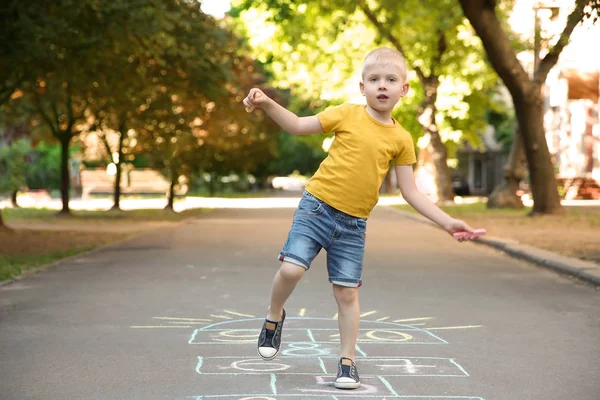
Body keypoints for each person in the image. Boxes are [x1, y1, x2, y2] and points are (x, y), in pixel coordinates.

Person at [243, 47, 481, 390]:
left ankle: (347, 361)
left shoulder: (401, 138)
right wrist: (266, 103)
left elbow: (410, 192)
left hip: (353, 225)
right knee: (292, 269)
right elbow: (296, 125)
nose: (381, 86)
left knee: (347, 294)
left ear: (405, 89)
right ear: (362, 87)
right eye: (374, 80)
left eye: (390, 80)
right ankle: (274, 314)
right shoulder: (346, 115)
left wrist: (447, 223)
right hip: (317, 208)